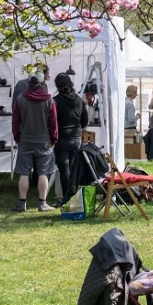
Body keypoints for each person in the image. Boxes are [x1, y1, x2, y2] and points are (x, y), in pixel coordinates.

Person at [12, 73, 58, 212]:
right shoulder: (49, 100)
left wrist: (17, 138)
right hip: (44, 141)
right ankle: (42, 202)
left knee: (24, 173)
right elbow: (53, 123)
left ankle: (22, 203)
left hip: (25, 140)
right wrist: (54, 139)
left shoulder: (20, 99)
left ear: (28, 85)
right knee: (43, 172)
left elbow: (15, 122)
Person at [53, 73, 88, 206]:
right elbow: (84, 121)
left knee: (64, 169)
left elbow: (52, 121)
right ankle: (74, 197)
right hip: (76, 138)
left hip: (61, 138)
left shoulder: (55, 101)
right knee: (73, 168)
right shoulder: (79, 100)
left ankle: (67, 198)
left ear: (57, 85)